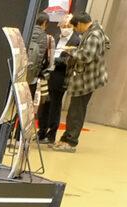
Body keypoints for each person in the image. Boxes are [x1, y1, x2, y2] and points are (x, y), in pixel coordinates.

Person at [54, 11, 110, 152]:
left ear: (79, 24)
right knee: (74, 110)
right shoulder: (93, 31)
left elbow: (86, 56)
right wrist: (75, 49)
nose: (75, 30)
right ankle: (66, 138)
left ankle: (71, 142)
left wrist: (71, 51)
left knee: (76, 111)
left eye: (75, 27)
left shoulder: (94, 35)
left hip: (86, 80)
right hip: (85, 77)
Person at [37, 14, 78, 145]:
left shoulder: (76, 40)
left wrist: (54, 60)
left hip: (61, 76)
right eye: (63, 26)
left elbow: (69, 60)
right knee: (44, 104)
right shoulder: (55, 37)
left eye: (68, 26)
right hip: (48, 74)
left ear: (73, 27)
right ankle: (41, 131)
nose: (65, 28)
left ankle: (51, 134)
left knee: (55, 105)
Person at [26, 12, 53, 97]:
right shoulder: (48, 38)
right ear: (45, 23)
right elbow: (50, 63)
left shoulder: (26, 31)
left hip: (19, 74)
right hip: (33, 77)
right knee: (28, 99)